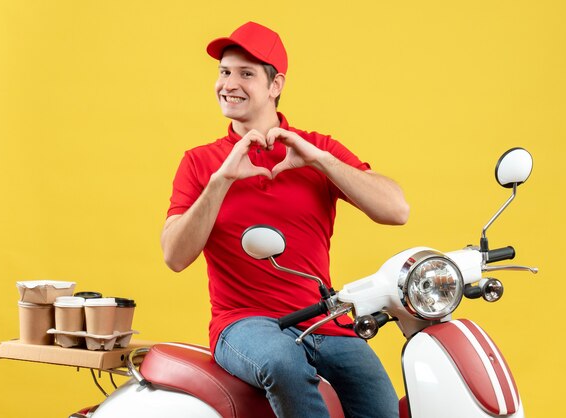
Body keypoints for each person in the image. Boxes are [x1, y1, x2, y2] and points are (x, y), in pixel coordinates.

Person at [161, 21, 409, 418]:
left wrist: (321, 161)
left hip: (323, 320)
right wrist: (221, 180)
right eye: (224, 72)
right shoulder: (201, 162)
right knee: (283, 364)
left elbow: (396, 210)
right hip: (243, 324)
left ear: (275, 85)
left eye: (245, 74)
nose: (229, 84)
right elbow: (174, 256)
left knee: (379, 402)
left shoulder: (316, 149)